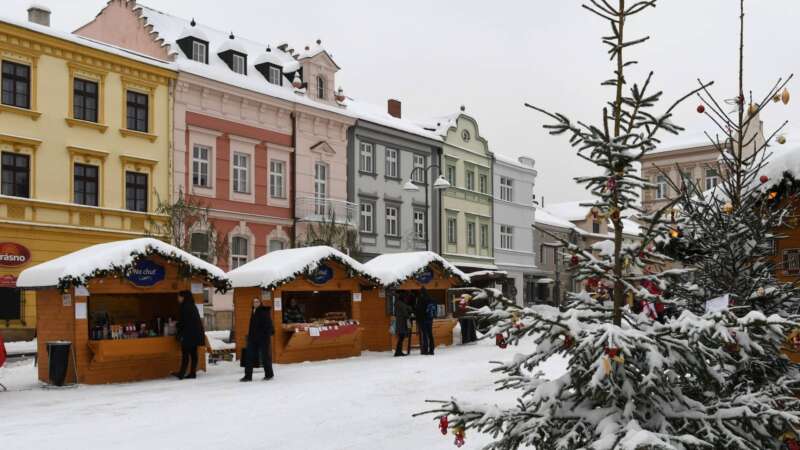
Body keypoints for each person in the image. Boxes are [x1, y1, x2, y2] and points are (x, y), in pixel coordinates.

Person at [241, 298, 275, 382]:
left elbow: (269, 324)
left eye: (257, 302)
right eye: (253, 302)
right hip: (252, 338)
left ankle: (269, 374)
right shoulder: (253, 311)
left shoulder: (264, 311)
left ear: (260, 303)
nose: (255, 303)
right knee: (249, 356)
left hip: (263, 338)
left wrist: (267, 334)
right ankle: (248, 376)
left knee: (265, 356)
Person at [173, 290, 204, 380]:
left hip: (188, 334)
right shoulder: (192, 305)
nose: (178, 298)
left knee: (185, 354)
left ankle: (181, 374)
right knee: (194, 354)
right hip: (195, 334)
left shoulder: (184, 307)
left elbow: (183, 322)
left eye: (179, 297)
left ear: (183, 297)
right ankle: (192, 373)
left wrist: (177, 325)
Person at [417, 287, 436, 355]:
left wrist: (417, 318)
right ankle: (432, 349)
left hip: (423, 319)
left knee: (424, 334)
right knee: (430, 334)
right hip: (430, 319)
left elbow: (418, 309)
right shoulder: (431, 298)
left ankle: (425, 350)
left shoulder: (421, 299)